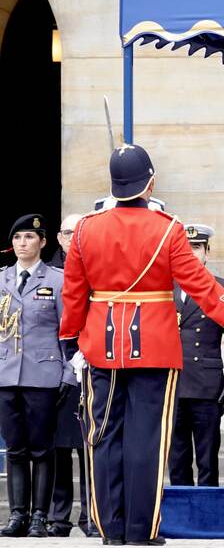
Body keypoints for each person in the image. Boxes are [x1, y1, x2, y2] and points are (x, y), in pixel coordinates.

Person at [59, 144, 224, 546]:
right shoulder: (167, 228)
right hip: (152, 344)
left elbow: (73, 293)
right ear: (150, 183)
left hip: (100, 345)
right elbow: (202, 287)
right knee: (146, 440)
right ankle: (140, 529)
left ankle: (110, 528)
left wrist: (71, 343)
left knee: (103, 437)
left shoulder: (85, 228)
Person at [0, 214, 75, 537]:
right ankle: (17, 515)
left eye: (29, 237)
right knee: (15, 448)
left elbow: (70, 333)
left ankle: (40, 517)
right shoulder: (1, 279)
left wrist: (69, 374)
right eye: (17, 238)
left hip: (44, 374)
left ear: (43, 242)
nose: (22, 244)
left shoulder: (57, 280)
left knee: (42, 449)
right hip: (6, 374)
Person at [168, 224, 224, 487]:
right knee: (176, 458)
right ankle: (182, 519)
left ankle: (208, 517)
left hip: (206, 384)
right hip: (172, 383)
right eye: (186, 247)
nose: (191, 252)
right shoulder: (164, 288)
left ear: (207, 253)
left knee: (207, 458)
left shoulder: (222, 287)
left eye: (197, 247)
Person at [46, 213, 97, 538]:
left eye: (79, 231)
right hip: (55, 372)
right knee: (59, 451)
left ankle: (91, 516)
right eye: (67, 232)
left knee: (90, 448)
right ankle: (59, 517)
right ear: (59, 237)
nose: (72, 236)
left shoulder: (98, 268)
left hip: (90, 370)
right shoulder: (49, 273)